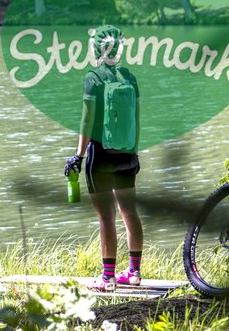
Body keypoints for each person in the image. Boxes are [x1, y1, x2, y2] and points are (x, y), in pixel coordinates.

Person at [63, 25, 143, 292]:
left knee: (107, 218)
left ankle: (107, 279)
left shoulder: (93, 78)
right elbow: (136, 119)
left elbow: (87, 120)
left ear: (96, 49)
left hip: (100, 155)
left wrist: (78, 155)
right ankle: (133, 273)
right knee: (130, 213)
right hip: (127, 152)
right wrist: (134, 149)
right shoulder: (130, 78)